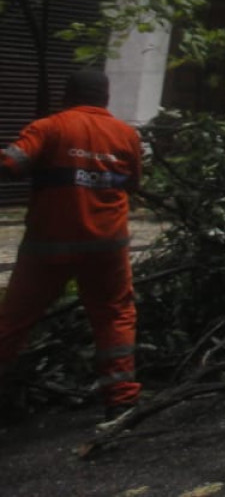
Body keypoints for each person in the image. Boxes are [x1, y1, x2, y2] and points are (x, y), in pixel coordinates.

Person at [0, 69, 143, 421]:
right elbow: (133, 183)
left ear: (68, 94)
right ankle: (121, 398)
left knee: (14, 321)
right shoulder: (126, 135)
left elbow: (10, 164)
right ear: (105, 98)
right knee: (114, 315)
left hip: (49, 248)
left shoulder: (50, 127)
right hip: (107, 247)